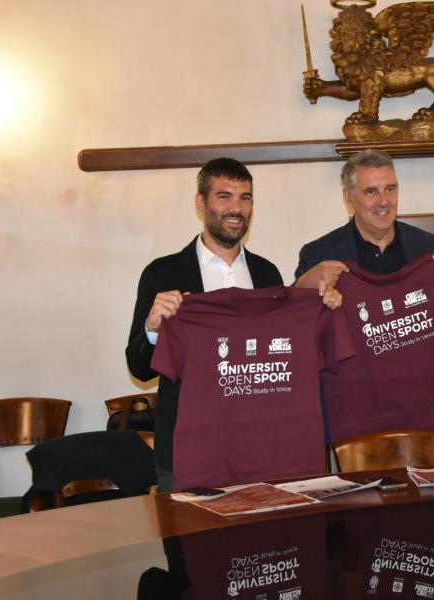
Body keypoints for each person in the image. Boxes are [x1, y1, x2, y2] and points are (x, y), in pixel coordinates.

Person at [125, 157, 340, 492]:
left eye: (245, 198)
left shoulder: (267, 274)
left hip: (258, 449)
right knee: (187, 529)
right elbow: (138, 368)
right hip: (187, 452)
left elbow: (281, 355)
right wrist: (152, 329)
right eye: (224, 196)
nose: (236, 208)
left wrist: (321, 309)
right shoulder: (163, 273)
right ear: (201, 203)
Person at [294, 149, 434, 309]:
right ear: (349, 197)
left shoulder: (427, 247)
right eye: (371, 192)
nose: (383, 201)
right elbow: (294, 322)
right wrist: (303, 286)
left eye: (390, 189)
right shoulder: (318, 254)